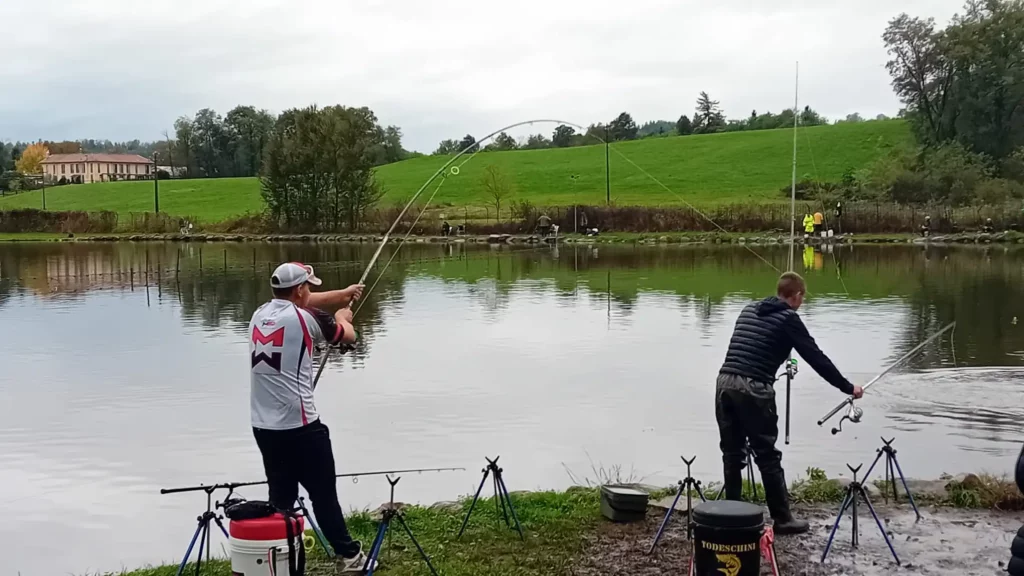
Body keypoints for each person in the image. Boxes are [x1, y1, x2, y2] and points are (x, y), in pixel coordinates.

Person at [716, 272, 863, 535]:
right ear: (796, 296)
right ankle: (783, 519)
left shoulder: (748, 309)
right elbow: (816, 358)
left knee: (732, 451)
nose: (802, 302)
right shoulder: (789, 319)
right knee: (767, 456)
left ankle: (731, 514)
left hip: (724, 382)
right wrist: (848, 387)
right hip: (754, 388)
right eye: (802, 297)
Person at [248, 262, 371, 572]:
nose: (311, 292)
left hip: (263, 426)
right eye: (309, 287)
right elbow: (346, 336)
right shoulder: (308, 319)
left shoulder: (259, 314)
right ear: (300, 289)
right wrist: (343, 316)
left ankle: (280, 558)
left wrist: (341, 294)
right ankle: (350, 556)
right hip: (301, 427)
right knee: (323, 495)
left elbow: (302, 303)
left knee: (281, 498)